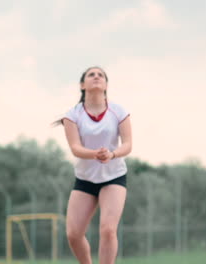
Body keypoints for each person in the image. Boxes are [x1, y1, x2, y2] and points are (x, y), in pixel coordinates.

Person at [59, 66, 132, 264]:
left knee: (108, 230)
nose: (96, 77)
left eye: (101, 75)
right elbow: (75, 148)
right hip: (85, 179)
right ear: (83, 85)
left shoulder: (119, 111)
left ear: (106, 85)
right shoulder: (72, 115)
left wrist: (113, 154)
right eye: (91, 75)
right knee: (74, 234)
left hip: (113, 177)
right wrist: (95, 154)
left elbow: (127, 145)